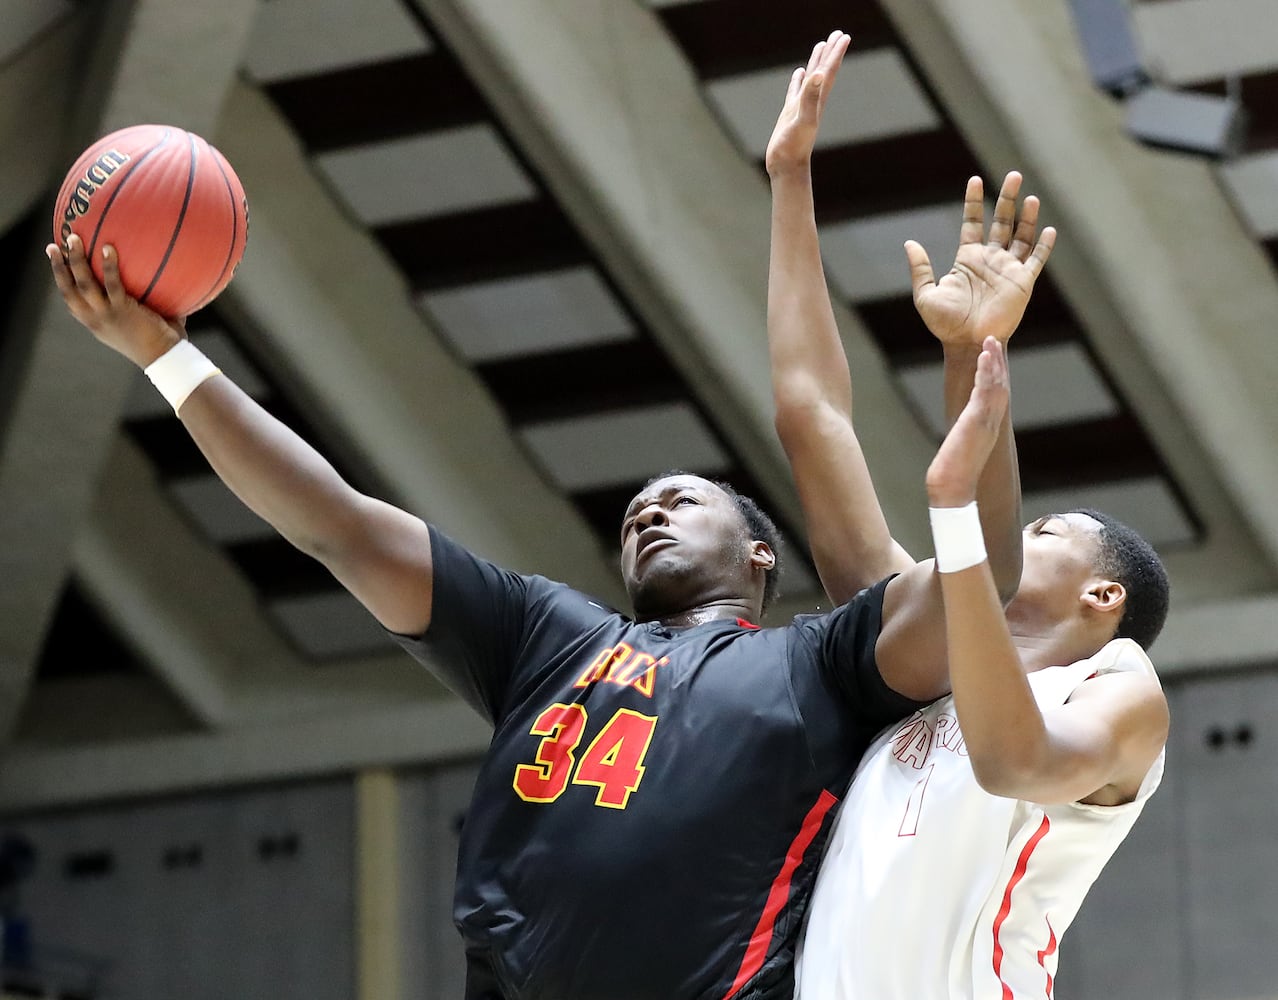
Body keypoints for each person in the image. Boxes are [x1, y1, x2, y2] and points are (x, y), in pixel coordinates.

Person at [47, 217, 1009, 995]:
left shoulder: (818, 665)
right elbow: (337, 525)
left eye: (683, 499)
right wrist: (167, 360)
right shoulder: (546, 636)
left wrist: (977, 369)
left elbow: (984, 586)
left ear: (761, 550)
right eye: (637, 508)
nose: (648, 508)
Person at [764, 32, 1171, 998]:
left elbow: (1014, 760)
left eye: (1047, 532)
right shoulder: (918, 661)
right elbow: (811, 420)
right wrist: (788, 182)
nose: (1020, 535)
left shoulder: (1120, 687)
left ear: (1104, 593)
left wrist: (955, 506)